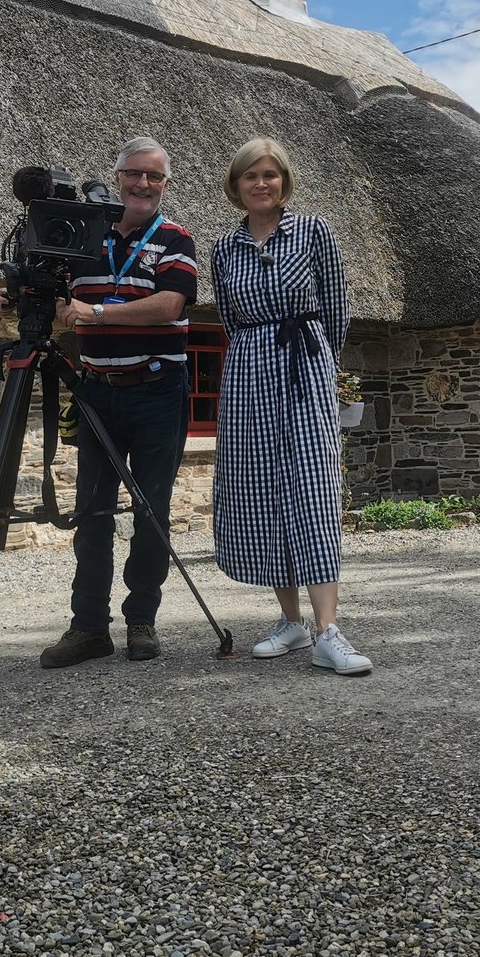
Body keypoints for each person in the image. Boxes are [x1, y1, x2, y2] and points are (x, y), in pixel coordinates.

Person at [0, 137, 196, 666]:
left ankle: (142, 620)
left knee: (151, 510)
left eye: (153, 177)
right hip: (97, 391)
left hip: (158, 392)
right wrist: (9, 296)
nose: (142, 184)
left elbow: (170, 305)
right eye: (133, 174)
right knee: (93, 510)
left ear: (165, 184)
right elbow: (51, 295)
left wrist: (97, 315)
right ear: (118, 176)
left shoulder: (176, 239)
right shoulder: (85, 238)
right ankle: (88, 628)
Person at [211, 137, 371, 675]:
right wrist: (256, 357)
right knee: (260, 489)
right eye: (251, 176)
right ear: (236, 186)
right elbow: (232, 320)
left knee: (313, 487)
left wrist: (320, 366)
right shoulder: (224, 249)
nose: (261, 183)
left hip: (303, 365)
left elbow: (337, 310)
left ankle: (329, 630)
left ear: (284, 183)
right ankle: (291, 622)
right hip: (249, 372)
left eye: (271, 175)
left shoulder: (313, 231)